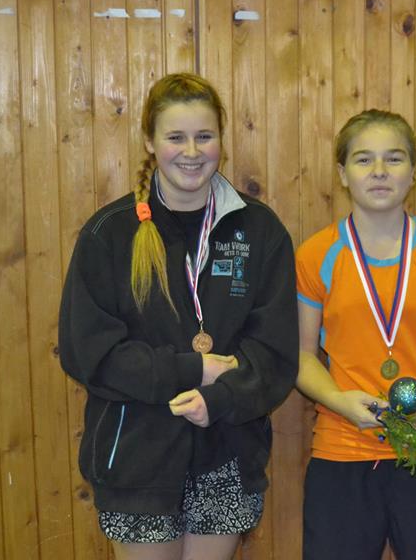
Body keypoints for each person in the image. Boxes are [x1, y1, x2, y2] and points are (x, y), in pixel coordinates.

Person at [59, 73, 298, 560]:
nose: (191, 151)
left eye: (204, 136)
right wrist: (192, 370)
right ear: (150, 141)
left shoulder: (260, 230)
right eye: (176, 137)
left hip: (226, 447)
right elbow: (89, 353)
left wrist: (221, 397)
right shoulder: (110, 233)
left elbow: (274, 350)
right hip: (137, 456)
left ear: (221, 142)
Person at [295, 109, 416, 560]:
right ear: (343, 174)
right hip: (342, 453)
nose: (379, 171)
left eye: (394, 158)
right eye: (363, 159)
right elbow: (299, 356)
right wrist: (340, 402)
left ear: (413, 172)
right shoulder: (316, 255)